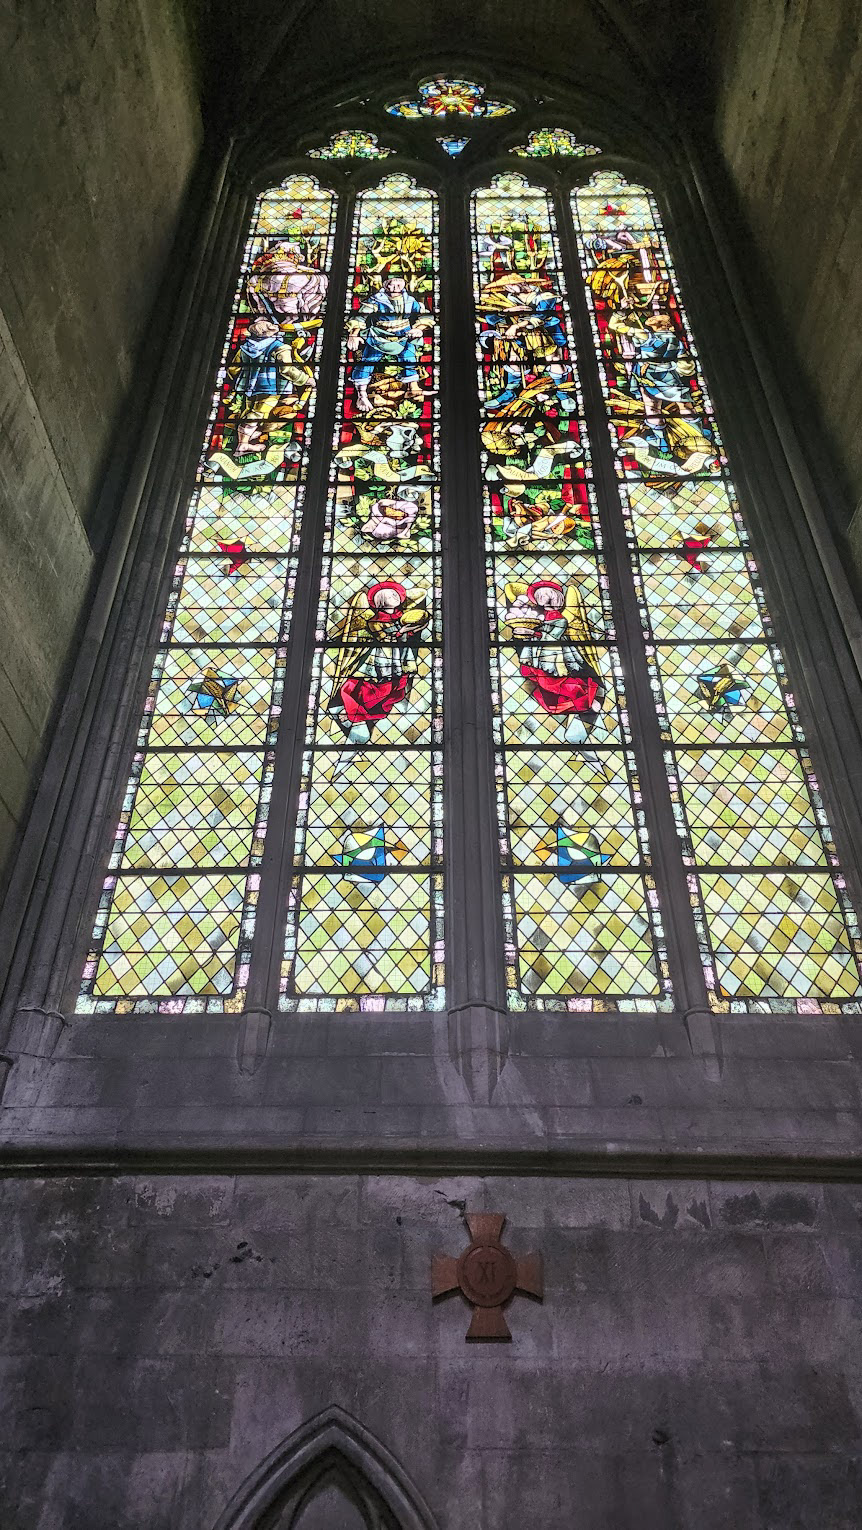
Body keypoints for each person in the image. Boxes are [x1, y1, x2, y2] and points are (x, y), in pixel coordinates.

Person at [503, 578, 606, 760]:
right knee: (548, 681)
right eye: (541, 596)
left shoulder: (559, 616)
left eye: (549, 594)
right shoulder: (539, 615)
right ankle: (579, 723)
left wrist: (535, 632)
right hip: (542, 652)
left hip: (560, 653)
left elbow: (558, 630)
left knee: (567, 681)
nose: (546, 598)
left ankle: (582, 721)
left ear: (557, 596)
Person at [327, 580, 428, 746]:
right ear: (380, 601)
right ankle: (351, 715)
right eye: (389, 594)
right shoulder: (374, 621)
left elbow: (408, 633)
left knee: (395, 689)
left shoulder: (402, 618)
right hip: (380, 660)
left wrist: (416, 626)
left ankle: (355, 717)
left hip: (398, 659)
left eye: (396, 594)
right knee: (372, 688)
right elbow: (383, 637)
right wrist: (402, 629)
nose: (395, 596)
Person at [225, 317, 314, 456]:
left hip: (248, 387)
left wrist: (240, 382)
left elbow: (233, 369)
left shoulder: (246, 348)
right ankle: (242, 445)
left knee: (252, 412)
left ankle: (247, 437)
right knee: (256, 415)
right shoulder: (279, 347)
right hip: (270, 387)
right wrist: (305, 379)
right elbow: (286, 370)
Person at [348, 275, 430, 414]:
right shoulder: (376, 300)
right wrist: (354, 335)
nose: (395, 288)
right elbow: (360, 317)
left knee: (409, 358)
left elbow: (425, 316)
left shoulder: (410, 301)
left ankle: (413, 387)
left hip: (404, 334)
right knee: (367, 362)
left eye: (399, 285)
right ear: (385, 285)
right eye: (392, 284)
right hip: (379, 335)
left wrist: (419, 329)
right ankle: (361, 395)